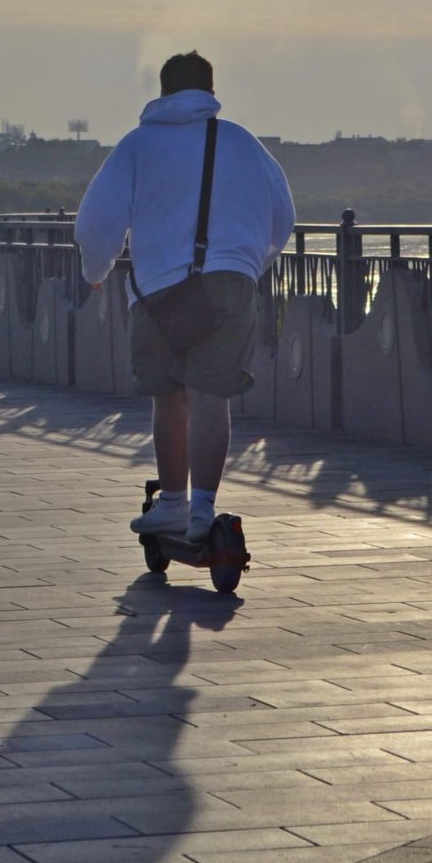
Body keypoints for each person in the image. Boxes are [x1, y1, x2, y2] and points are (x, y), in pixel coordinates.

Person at [75, 51, 296, 543]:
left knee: (169, 397)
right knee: (212, 397)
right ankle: (204, 510)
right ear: (211, 93)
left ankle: (172, 504)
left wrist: (97, 270)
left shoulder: (137, 146)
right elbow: (283, 216)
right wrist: (247, 266)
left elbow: (96, 222)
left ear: (162, 91)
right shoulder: (243, 143)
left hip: (160, 292)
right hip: (232, 284)